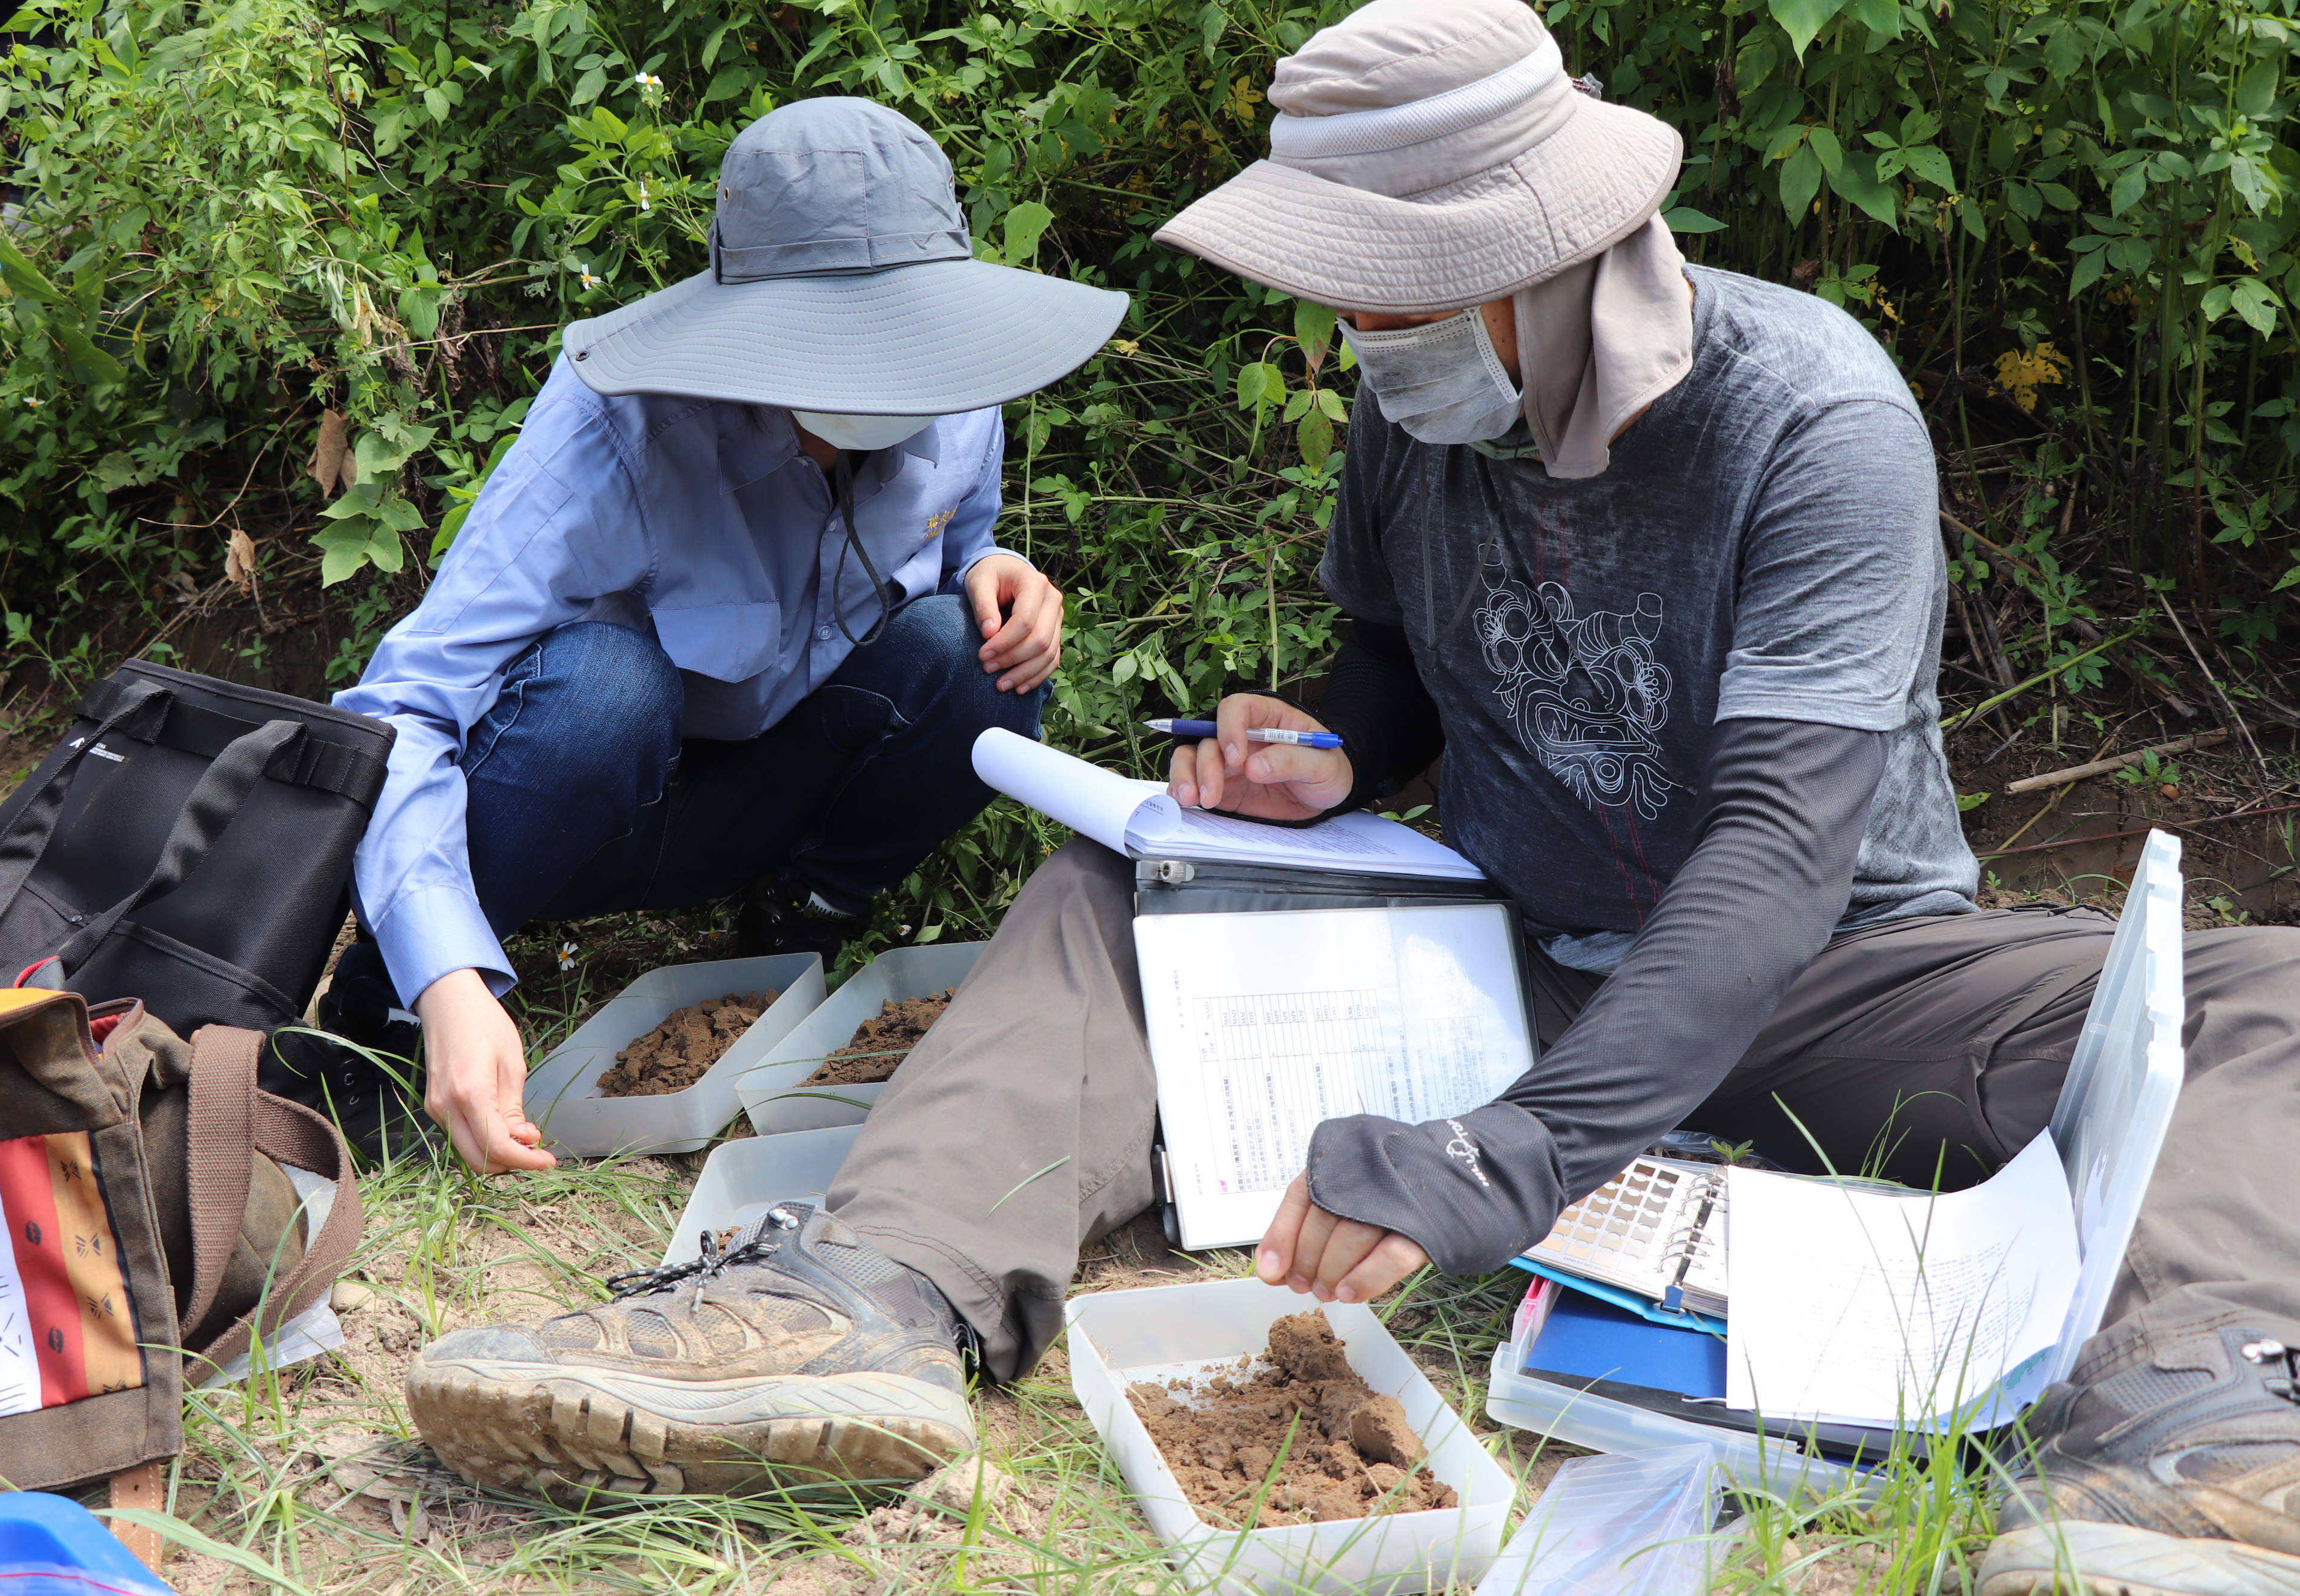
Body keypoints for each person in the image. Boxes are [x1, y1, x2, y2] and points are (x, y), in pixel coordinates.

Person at [404, 8, 2300, 1594]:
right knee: (1114, 885)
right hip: (1497, 939)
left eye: (1388, 297)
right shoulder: (1418, 418)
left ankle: (2201, 1429)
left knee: (2260, 994)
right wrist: (1316, 743)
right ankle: (866, 1305)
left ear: (1536, 261)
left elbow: (1785, 848)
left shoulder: (1815, 420)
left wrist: (1505, 1152)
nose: (1358, 339)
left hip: (1830, 972)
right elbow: (1393, 673)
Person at [308, 99, 1126, 1172]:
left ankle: (793, 928)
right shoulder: (624, 421)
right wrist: (444, 976)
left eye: (906, 341)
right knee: (610, 686)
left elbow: (959, 548)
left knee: (970, 657)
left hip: (763, 794)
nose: (883, 379)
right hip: (573, 812)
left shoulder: (963, 397)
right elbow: (402, 710)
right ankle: (378, 1025)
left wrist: (991, 570)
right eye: (842, 345)